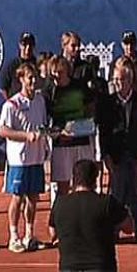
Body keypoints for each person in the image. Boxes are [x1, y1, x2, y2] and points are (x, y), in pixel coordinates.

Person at [96, 59, 137, 243]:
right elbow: (103, 132)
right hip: (116, 156)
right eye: (116, 80)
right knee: (116, 196)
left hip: (136, 155)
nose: (118, 83)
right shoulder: (107, 103)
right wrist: (105, 155)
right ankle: (114, 232)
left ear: (130, 80)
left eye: (122, 79)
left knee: (136, 197)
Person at [0, 63, 49, 253]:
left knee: (33, 198)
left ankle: (29, 235)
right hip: (18, 160)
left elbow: (42, 125)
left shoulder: (40, 101)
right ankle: (13, 237)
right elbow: (2, 130)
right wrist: (25, 136)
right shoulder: (11, 105)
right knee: (17, 198)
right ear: (21, 79)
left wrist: (45, 140)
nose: (33, 81)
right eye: (29, 78)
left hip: (36, 158)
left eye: (35, 77)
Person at [43, 56, 96, 198]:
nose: (56, 76)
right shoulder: (48, 91)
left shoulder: (80, 87)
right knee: (62, 188)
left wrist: (81, 128)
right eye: (53, 73)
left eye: (59, 72)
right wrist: (58, 133)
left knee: (84, 184)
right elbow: (45, 120)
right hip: (61, 145)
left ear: (67, 70)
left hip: (82, 143)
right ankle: (62, 211)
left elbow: (91, 110)